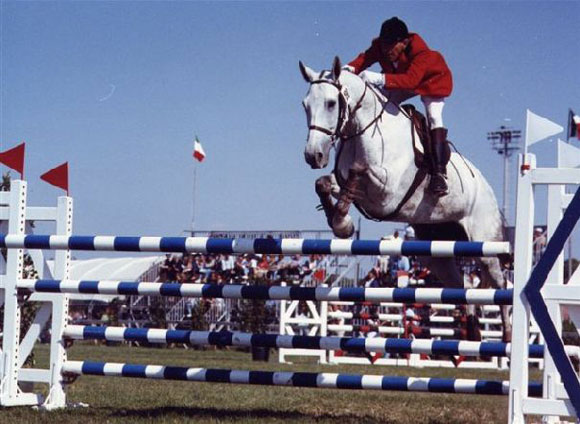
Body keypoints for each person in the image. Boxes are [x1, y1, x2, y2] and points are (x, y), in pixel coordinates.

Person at [345, 17, 453, 196]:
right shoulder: (381, 46)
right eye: (384, 45)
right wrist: (348, 69)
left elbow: (411, 81)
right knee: (380, 101)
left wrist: (378, 78)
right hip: (400, 79)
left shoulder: (423, 54)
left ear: (404, 42)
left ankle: (439, 173)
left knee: (434, 117)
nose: (386, 51)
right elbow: (364, 59)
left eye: (391, 46)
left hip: (432, 81)